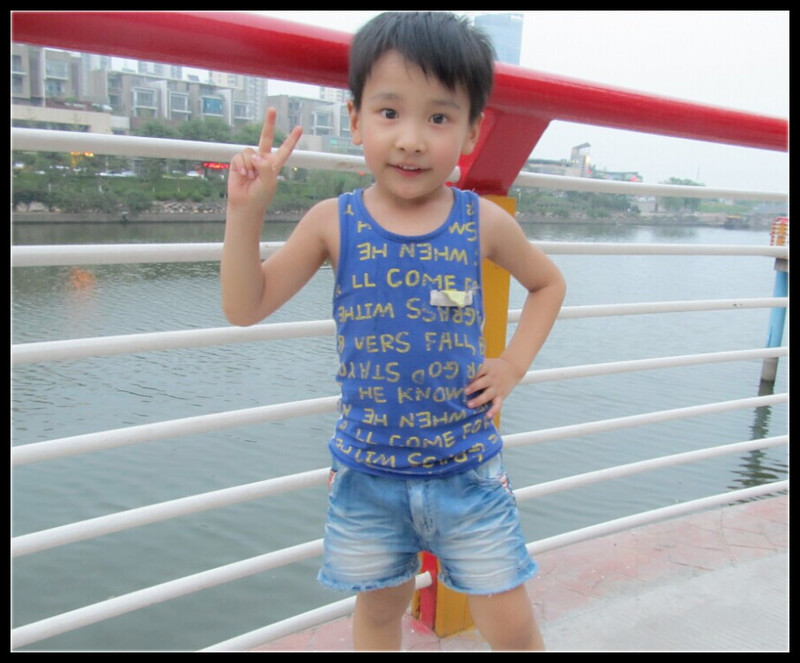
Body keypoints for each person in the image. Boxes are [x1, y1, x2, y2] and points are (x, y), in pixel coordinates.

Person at [221, 11, 566, 651]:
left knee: (510, 621)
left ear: (472, 130)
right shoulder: (333, 221)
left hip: (467, 471)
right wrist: (246, 214)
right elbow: (246, 305)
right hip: (367, 476)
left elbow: (548, 284)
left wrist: (512, 365)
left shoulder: (482, 222)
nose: (410, 140)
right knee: (379, 612)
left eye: (438, 118)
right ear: (355, 120)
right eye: (389, 112)